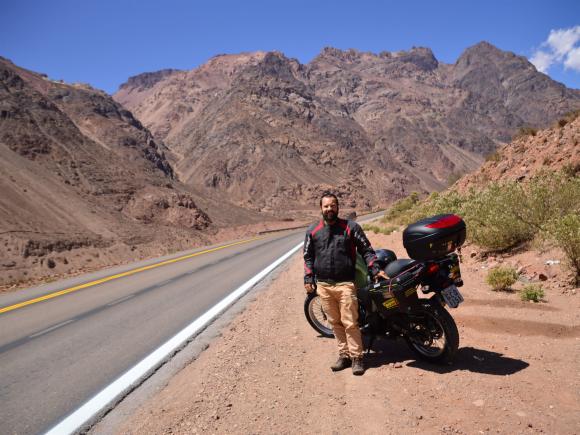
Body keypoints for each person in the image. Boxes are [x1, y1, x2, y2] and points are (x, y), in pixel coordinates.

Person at [303, 192, 387, 375]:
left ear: (338, 207)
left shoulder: (351, 227)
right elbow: (308, 257)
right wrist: (308, 278)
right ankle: (344, 356)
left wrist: (374, 268)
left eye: (333, 205)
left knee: (350, 323)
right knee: (335, 323)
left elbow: (367, 250)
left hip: (345, 284)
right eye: (326, 206)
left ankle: (357, 358)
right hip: (324, 286)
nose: (329, 209)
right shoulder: (312, 231)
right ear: (321, 208)